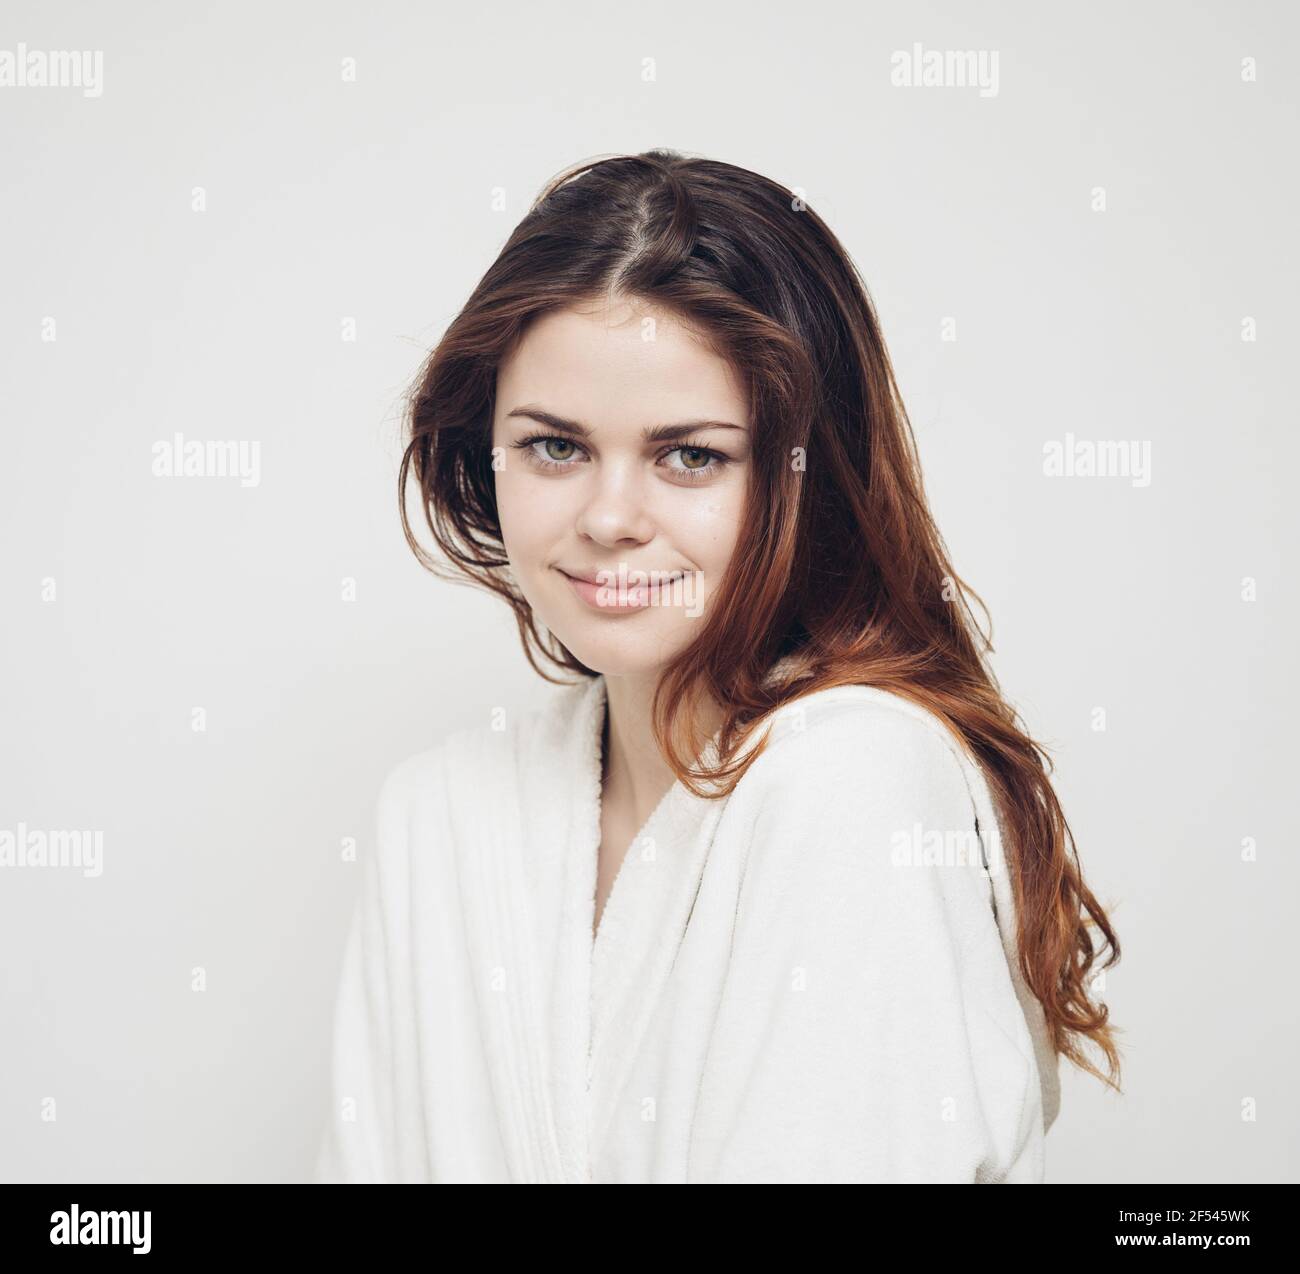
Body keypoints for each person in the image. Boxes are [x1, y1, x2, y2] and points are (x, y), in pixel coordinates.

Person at [314, 149, 1122, 1184]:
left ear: (804, 477)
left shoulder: (852, 781)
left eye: (688, 454)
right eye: (554, 446)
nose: (608, 518)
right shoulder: (437, 815)